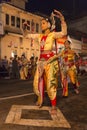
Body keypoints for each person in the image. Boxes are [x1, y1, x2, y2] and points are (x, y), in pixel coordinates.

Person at [22, 9, 67, 114]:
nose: (41, 25)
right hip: (40, 63)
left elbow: (64, 32)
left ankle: (53, 105)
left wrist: (62, 19)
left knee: (50, 84)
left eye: (43, 23)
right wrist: (24, 28)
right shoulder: (39, 36)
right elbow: (27, 35)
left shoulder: (53, 35)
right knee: (36, 83)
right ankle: (40, 98)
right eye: (41, 23)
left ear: (49, 24)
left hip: (50, 62)